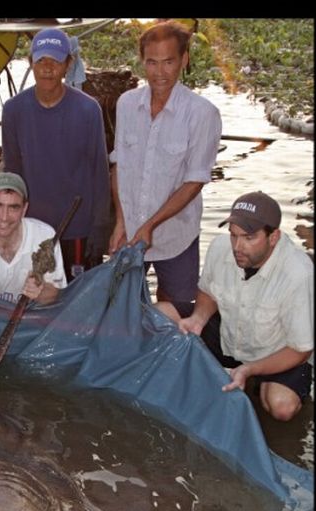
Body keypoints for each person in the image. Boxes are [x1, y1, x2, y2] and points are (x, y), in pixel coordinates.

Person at [155, 192, 313, 422]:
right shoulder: (220, 247)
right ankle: (238, 375)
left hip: (274, 351)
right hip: (229, 333)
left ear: (274, 237)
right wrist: (198, 318)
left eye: (249, 237)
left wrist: (250, 369)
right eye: (233, 235)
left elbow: (301, 349)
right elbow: (208, 291)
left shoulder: (299, 273)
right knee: (157, 314)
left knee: (282, 407)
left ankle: (256, 382)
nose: (238, 246)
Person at [108, 20, 222, 303]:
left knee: (177, 307)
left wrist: (152, 225)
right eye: (152, 62)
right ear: (142, 61)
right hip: (131, 230)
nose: (160, 72)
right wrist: (121, 221)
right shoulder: (126, 104)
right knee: (121, 304)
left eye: (169, 62)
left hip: (176, 235)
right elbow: (119, 165)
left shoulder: (202, 113)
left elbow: (195, 181)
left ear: (184, 60)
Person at [1, 28, 110, 280]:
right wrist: (11, 224)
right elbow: (12, 174)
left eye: (56, 61)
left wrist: (100, 227)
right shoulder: (14, 110)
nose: (48, 68)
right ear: (31, 63)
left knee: (78, 299)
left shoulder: (88, 109)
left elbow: (99, 172)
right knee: (36, 294)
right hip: (33, 227)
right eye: (41, 60)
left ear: (68, 65)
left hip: (78, 226)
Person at [0, 173, 67, 386]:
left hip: (35, 318)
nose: (4, 217)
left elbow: (54, 296)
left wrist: (41, 290)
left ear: (24, 209)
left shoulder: (44, 237)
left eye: (13, 207)